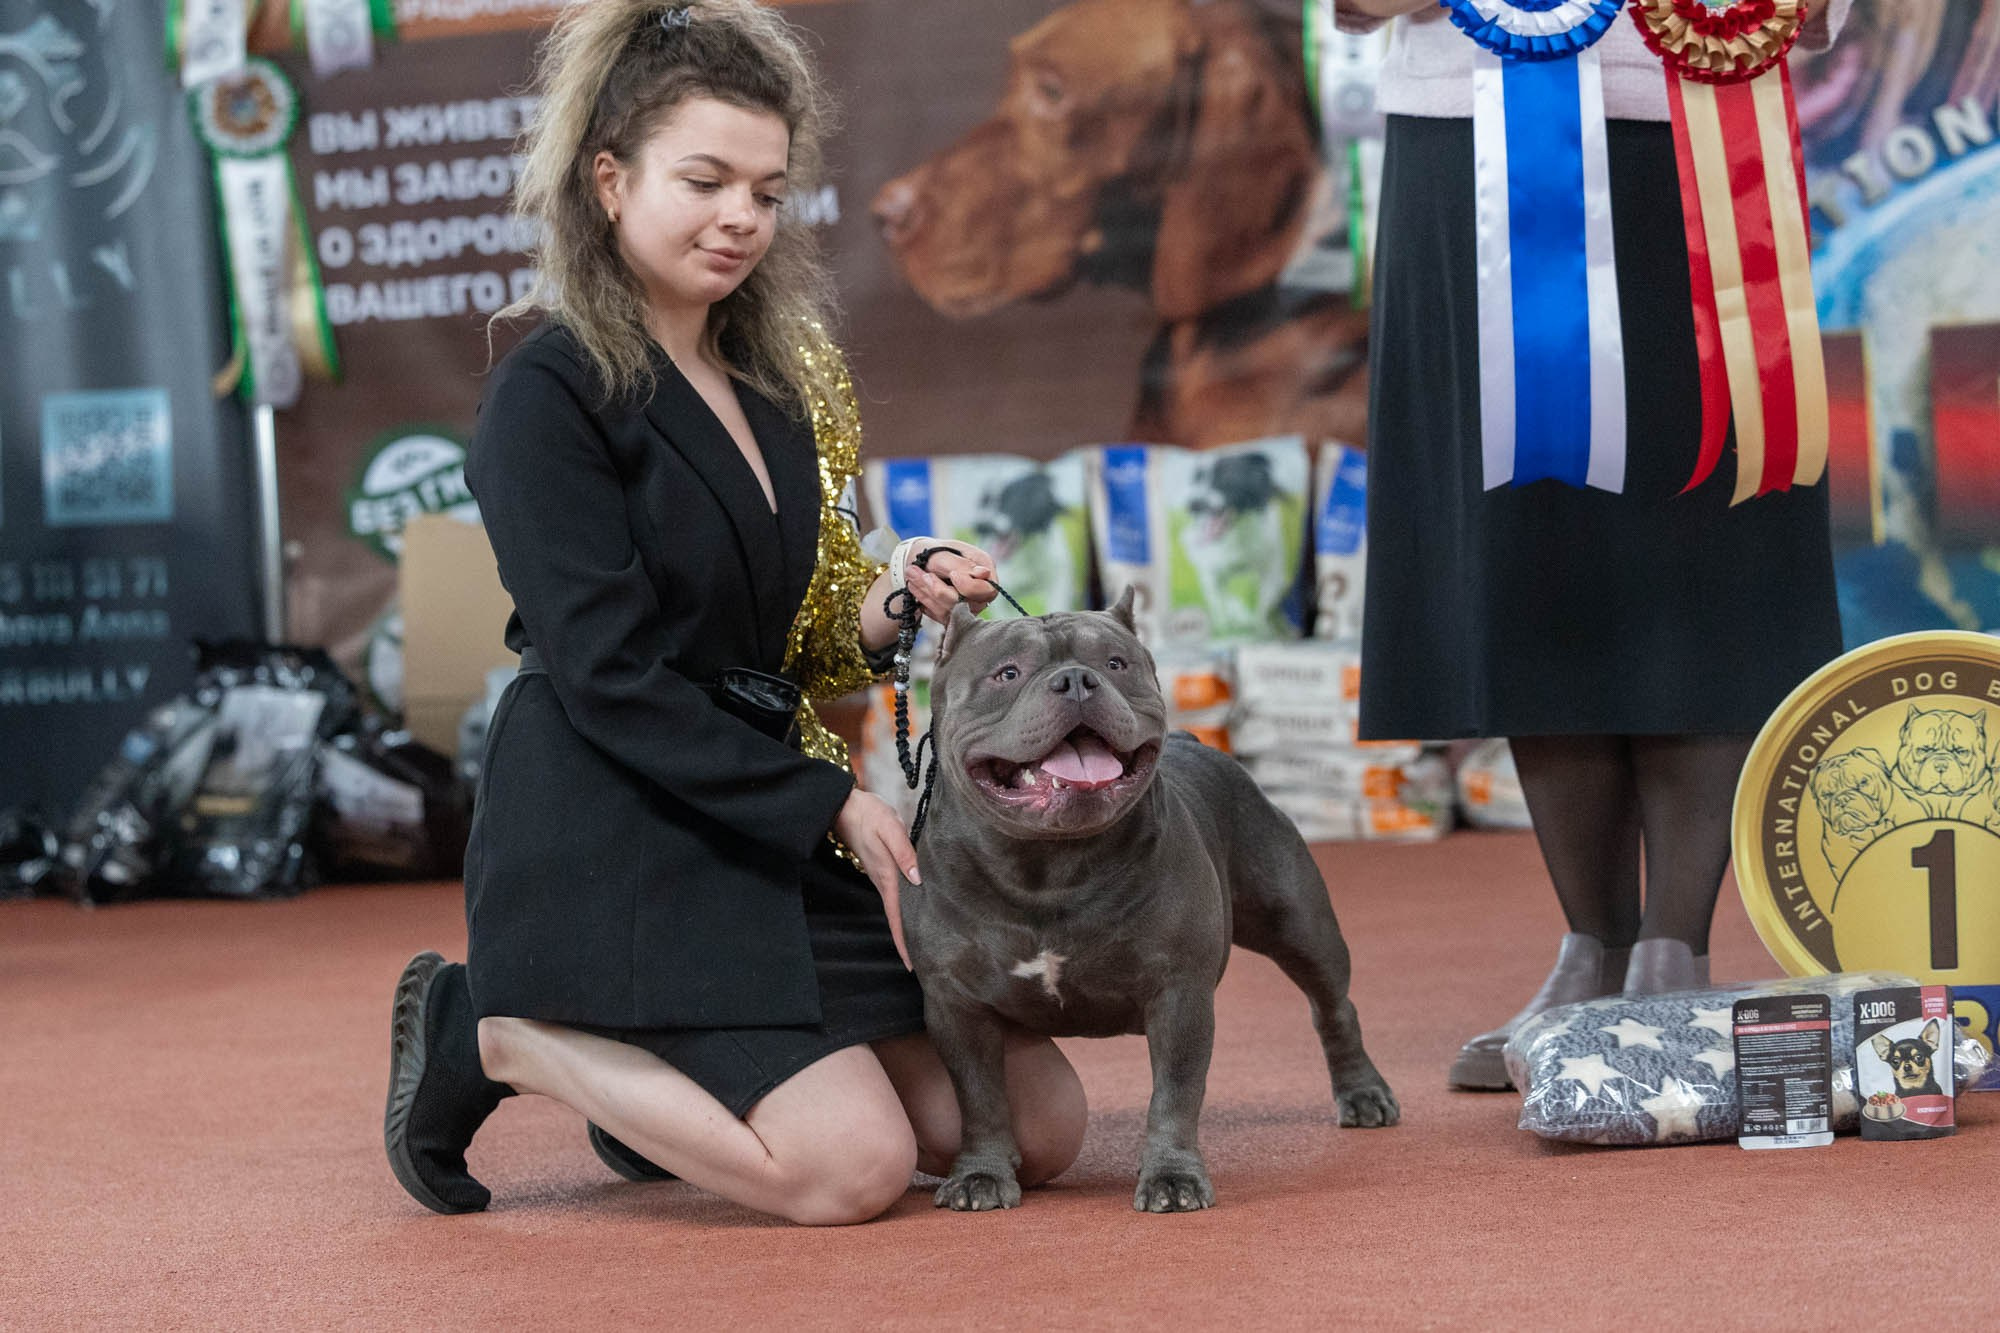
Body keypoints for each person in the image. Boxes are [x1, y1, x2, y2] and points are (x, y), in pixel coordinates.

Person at [383, 0, 1086, 1224]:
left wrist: (887, 601)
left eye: (765, 191)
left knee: (1036, 1130)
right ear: (607, 178)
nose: (740, 219)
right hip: (619, 821)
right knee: (849, 1170)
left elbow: (787, 645)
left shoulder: (767, 385)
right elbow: (608, 677)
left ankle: (654, 1086)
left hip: (756, 812)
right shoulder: (544, 394)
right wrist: (830, 802)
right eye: (704, 180)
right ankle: (493, 1031)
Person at [1336, 1, 1852, 1088]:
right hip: (1462, 123)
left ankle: (1674, 945)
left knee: (1699, 522)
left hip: (1705, 125)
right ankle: (1592, 941)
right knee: (1525, 535)